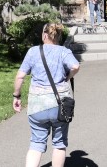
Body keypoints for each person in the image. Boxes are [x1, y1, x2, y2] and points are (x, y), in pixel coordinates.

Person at [13, 23, 80, 167]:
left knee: (36, 143)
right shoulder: (64, 51)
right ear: (59, 36)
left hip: (37, 106)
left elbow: (20, 77)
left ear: (44, 35)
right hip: (59, 105)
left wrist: (16, 96)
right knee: (59, 144)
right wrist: (68, 77)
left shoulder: (33, 51)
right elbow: (75, 66)